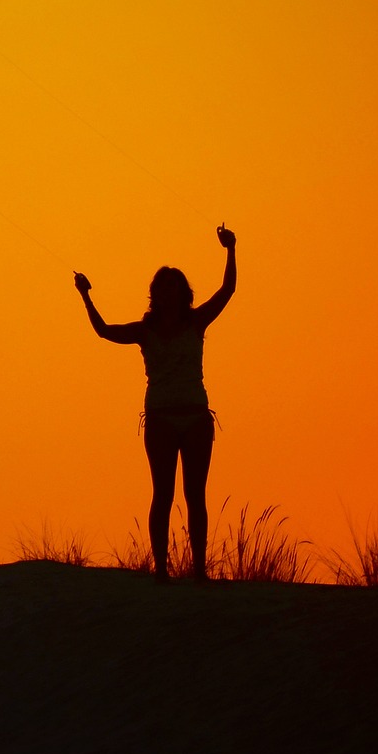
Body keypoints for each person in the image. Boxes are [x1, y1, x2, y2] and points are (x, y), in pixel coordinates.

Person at [74, 225, 237, 582]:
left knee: (196, 495)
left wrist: (231, 249)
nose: (167, 293)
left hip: (195, 417)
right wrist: (86, 296)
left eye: (173, 287)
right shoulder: (144, 330)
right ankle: (161, 570)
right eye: (161, 288)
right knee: (162, 494)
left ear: (183, 293)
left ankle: (198, 571)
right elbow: (103, 330)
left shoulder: (197, 321)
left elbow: (228, 290)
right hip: (161, 419)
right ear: (155, 295)